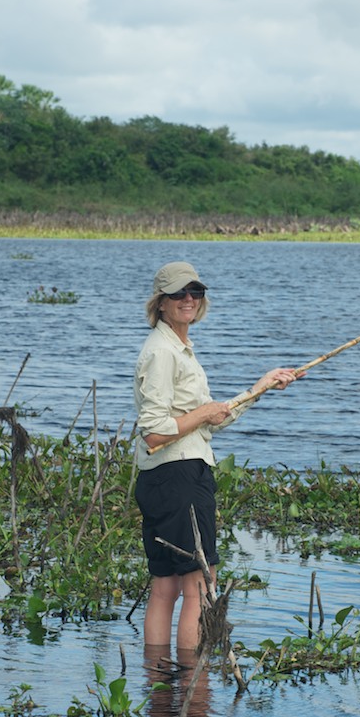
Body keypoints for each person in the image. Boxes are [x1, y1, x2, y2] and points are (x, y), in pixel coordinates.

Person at [133, 260, 303, 653]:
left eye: (195, 292)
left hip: (164, 477)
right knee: (200, 586)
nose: (188, 299)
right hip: (179, 478)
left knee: (166, 586)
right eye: (178, 294)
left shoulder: (179, 348)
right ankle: (194, 693)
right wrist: (205, 413)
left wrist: (261, 386)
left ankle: (160, 687)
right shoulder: (162, 352)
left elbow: (209, 421)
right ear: (161, 302)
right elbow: (156, 429)